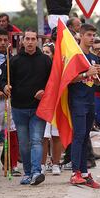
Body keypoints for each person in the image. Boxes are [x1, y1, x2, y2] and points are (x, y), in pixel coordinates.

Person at [0, 28, 52, 185]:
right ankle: (27, 173)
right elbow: (2, 79)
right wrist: (5, 87)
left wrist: (45, 91)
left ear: (37, 41)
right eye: (27, 39)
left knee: (36, 140)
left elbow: (52, 82)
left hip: (38, 108)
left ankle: (36, 172)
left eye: (32, 39)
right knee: (24, 143)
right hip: (18, 107)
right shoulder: (13, 61)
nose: (30, 42)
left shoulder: (45, 60)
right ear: (22, 41)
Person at [68, 24, 100, 189]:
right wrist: (85, 74)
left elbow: (97, 82)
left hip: (90, 100)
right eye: (89, 35)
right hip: (77, 100)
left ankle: (84, 173)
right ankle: (75, 172)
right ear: (81, 36)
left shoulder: (93, 57)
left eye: (93, 35)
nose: (92, 38)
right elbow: (68, 79)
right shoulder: (75, 55)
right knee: (79, 135)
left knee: (85, 137)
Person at [0, 28, 21, 177]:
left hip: (9, 101)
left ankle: (12, 164)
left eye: (5, 40)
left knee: (12, 134)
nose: (2, 43)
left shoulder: (12, 59)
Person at [41, 42, 62, 175]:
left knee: (56, 136)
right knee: (44, 136)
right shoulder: (38, 66)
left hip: (56, 104)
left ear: (53, 54)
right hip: (43, 105)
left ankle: (56, 164)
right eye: (43, 52)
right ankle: (42, 164)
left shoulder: (57, 68)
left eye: (47, 52)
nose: (45, 55)